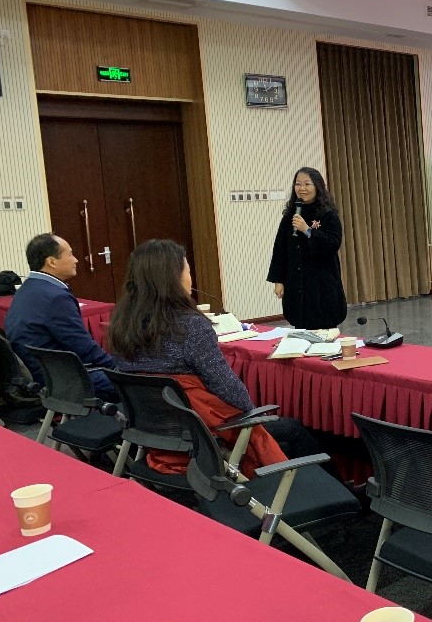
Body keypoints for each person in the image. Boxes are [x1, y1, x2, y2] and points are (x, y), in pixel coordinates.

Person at [109, 239, 322, 475]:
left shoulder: (121, 326)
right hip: (203, 436)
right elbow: (231, 391)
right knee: (293, 429)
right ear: (173, 278)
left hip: (154, 435)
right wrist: (253, 414)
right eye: (188, 270)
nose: (191, 278)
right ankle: (332, 493)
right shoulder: (191, 327)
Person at [4, 233, 117, 400]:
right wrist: (117, 368)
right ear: (51, 262)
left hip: (36, 374)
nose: (76, 260)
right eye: (70, 254)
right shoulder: (56, 297)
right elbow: (82, 346)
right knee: (136, 382)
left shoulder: (27, 288)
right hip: (59, 379)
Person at [267, 167, 347, 329]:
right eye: (298, 184)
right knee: (301, 326)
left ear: (317, 186)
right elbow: (280, 249)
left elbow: (332, 243)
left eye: (307, 184)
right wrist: (278, 280)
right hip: (296, 282)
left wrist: (307, 230)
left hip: (321, 282)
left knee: (324, 328)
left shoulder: (328, 214)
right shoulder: (291, 214)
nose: (302, 188)